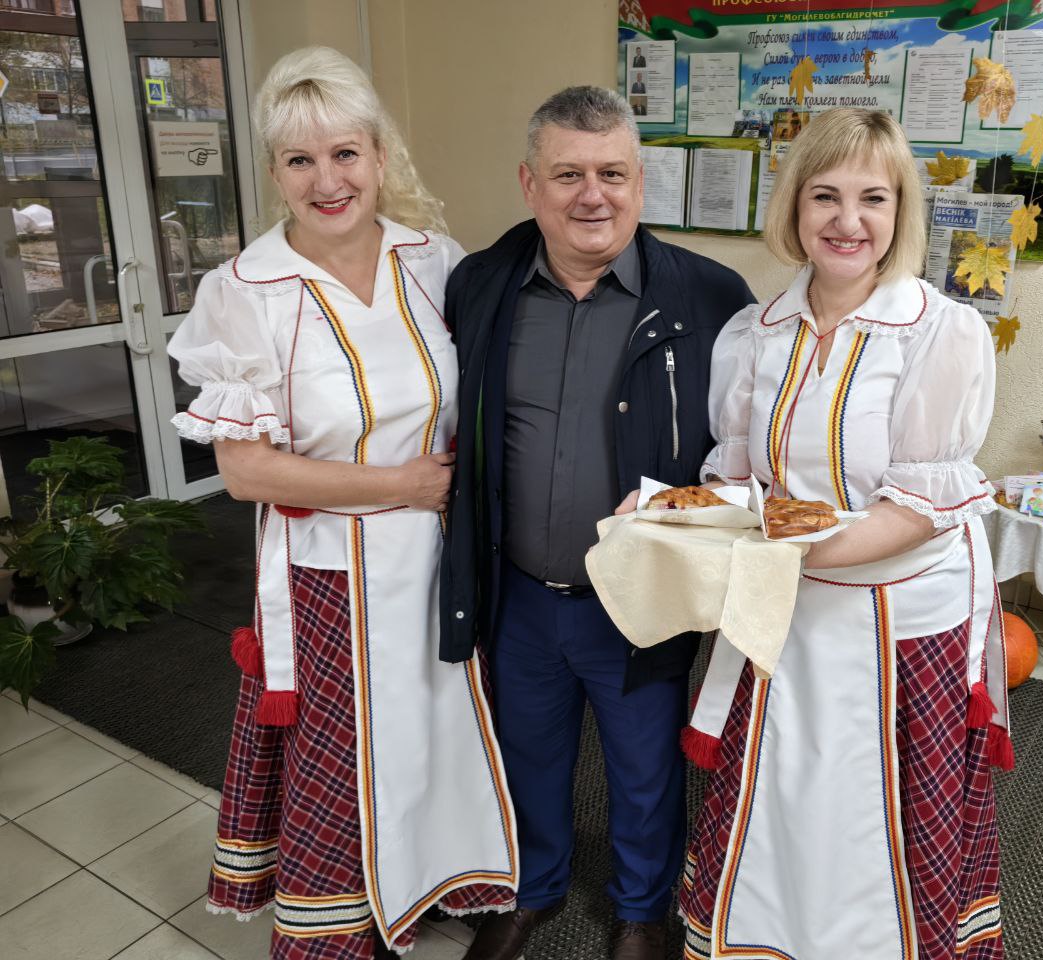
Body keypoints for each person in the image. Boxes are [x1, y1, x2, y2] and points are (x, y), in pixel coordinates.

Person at [168, 47, 518, 960]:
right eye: (300, 160)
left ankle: (423, 885)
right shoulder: (241, 292)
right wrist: (402, 485)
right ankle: (336, 923)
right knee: (341, 754)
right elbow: (247, 473)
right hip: (327, 574)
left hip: (439, 561)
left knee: (432, 729)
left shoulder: (433, 261)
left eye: (345, 154)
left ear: (379, 154)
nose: (327, 181)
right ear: (274, 172)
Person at [678, 108, 1012, 960]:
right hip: (783, 608)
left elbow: (918, 506)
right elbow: (737, 475)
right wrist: (680, 518)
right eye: (824, 195)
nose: (847, 220)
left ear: (901, 212)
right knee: (787, 792)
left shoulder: (942, 333)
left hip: (898, 621)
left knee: (873, 806)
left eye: (873, 198)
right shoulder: (754, 334)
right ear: (794, 206)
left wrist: (774, 555)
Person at [440, 85, 754, 960]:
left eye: (613, 173)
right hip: (517, 590)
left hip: (637, 599)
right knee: (527, 751)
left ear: (640, 182)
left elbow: (743, 450)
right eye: (567, 174)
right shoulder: (481, 285)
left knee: (644, 765)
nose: (593, 196)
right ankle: (530, 888)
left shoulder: (712, 297)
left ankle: (642, 911)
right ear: (528, 184)